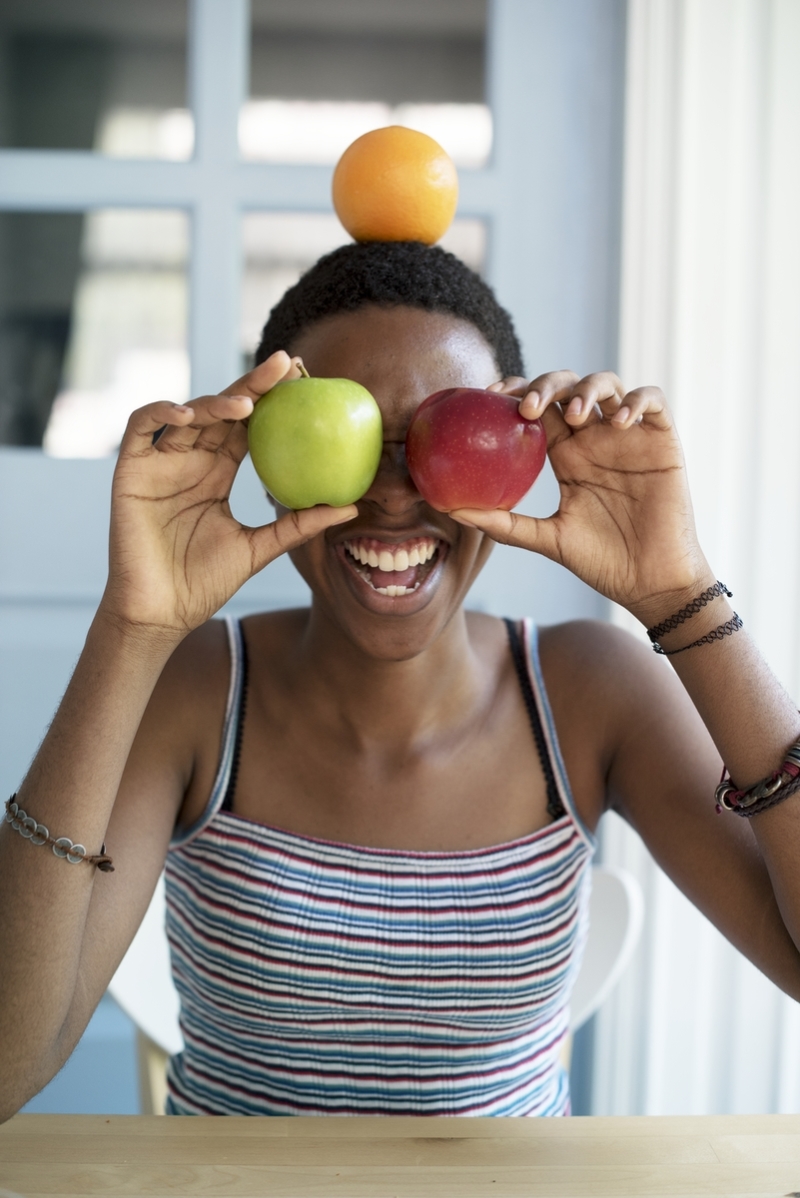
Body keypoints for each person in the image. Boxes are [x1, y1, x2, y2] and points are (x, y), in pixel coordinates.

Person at [2, 241, 799, 1120]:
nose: (392, 499)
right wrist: (133, 626)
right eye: (350, 446)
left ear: (523, 455)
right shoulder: (197, 690)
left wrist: (681, 593)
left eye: (436, 440)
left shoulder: (588, 692)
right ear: (265, 460)